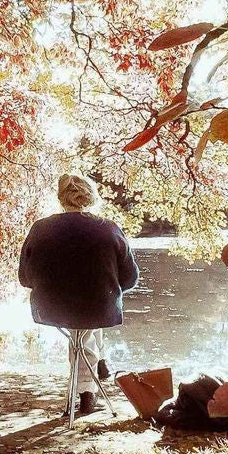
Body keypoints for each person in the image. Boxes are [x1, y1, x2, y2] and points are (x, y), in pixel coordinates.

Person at [18, 173, 139, 422]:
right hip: (99, 305)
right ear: (91, 196)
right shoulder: (109, 228)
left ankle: (91, 379)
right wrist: (107, 291)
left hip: (50, 307)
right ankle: (88, 389)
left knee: (81, 326)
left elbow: (25, 277)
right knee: (89, 318)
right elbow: (129, 278)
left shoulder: (41, 228)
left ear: (61, 197)